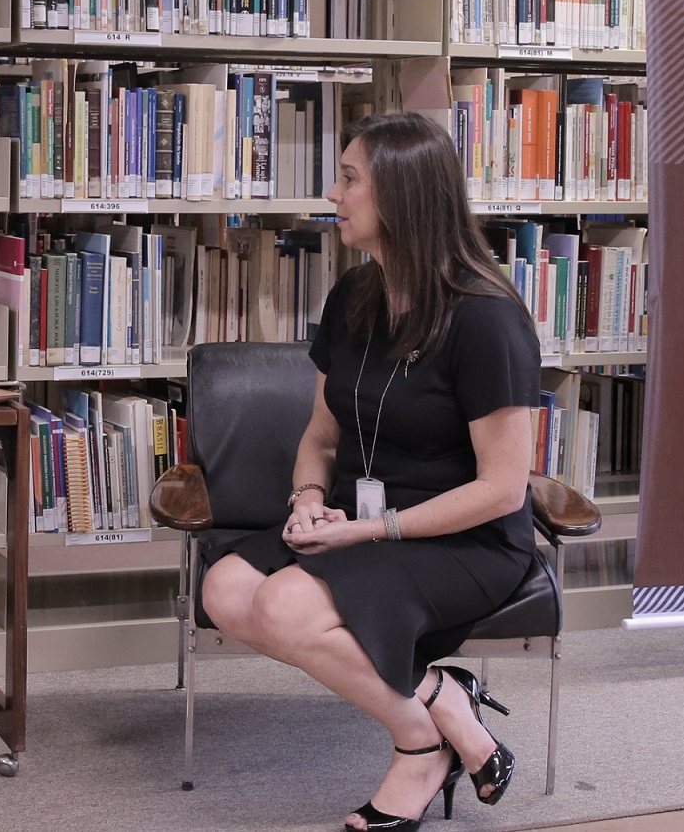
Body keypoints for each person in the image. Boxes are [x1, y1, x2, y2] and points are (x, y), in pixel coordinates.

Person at [198, 112, 540, 832]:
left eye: (350, 179)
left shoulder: (487, 318)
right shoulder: (354, 295)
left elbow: (503, 489)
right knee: (225, 589)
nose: (333, 194)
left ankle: (418, 747)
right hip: (360, 515)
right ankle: (441, 700)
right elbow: (321, 435)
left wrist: (371, 531)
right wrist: (308, 498)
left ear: (402, 195)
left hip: (463, 535)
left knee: (283, 606)